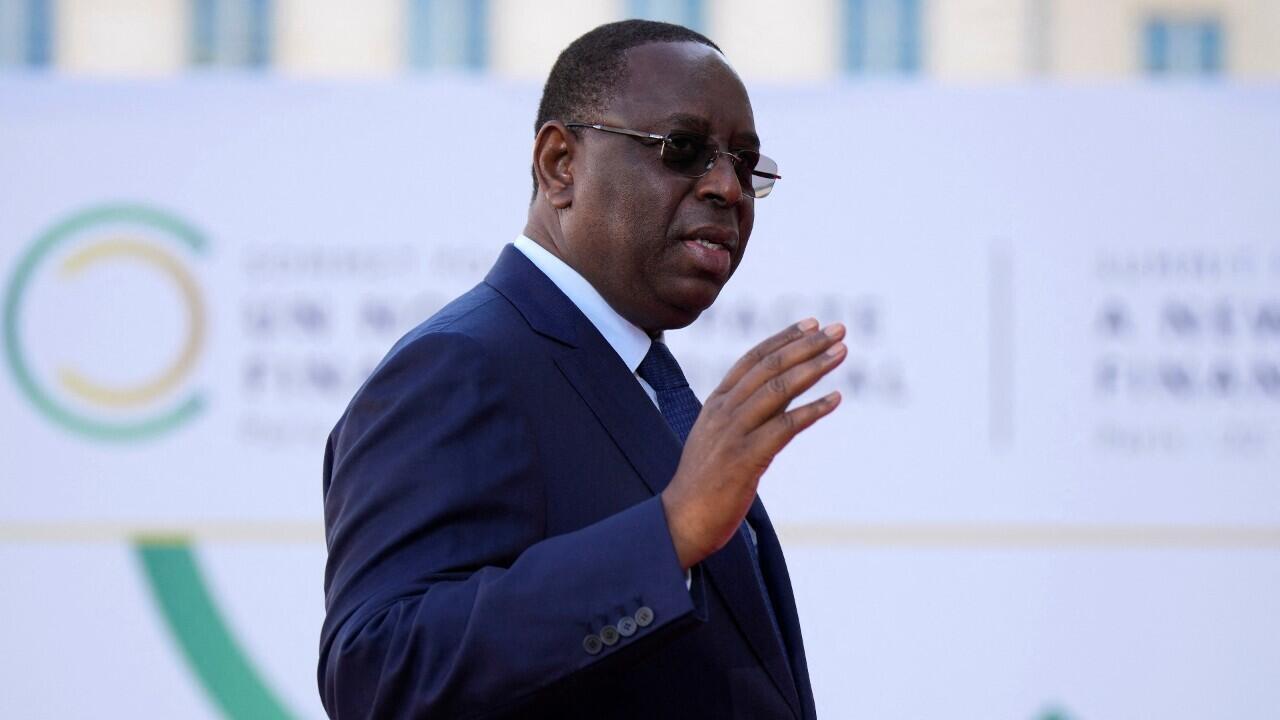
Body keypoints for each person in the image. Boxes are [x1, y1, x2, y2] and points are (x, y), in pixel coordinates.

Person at [319, 19, 847, 719]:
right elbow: (377, 672)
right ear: (560, 164)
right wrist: (666, 535)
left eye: (746, 165)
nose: (726, 186)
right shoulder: (461, 365)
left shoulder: (643, 375)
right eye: (682, 149)